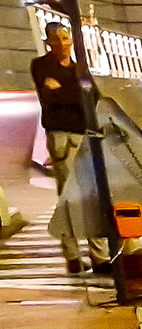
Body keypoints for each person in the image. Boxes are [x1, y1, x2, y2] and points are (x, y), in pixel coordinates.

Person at [30, 22, 105, 272]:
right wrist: (75, 94)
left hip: (84, 135)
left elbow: (92, 97)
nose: (62, 44)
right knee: (68, 197)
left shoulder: (79, 67)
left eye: (65, 38)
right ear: (48, 43)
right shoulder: (41, 66)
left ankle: (99, 256)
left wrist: (68, 92)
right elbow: (53, 98)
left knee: (93, 196)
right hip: (62, 137)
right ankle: (72, 255)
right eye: (56, 39)